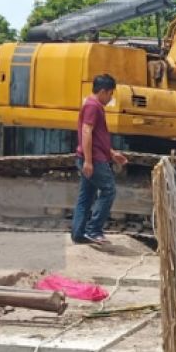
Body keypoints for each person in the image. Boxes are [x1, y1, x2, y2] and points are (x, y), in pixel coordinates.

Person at [72, 74, 128, 245]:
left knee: (86, 196)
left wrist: (111, 153)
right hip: (94, 159)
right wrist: (89, 161)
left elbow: (96, 136)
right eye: (110, 93)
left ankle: (79, 233)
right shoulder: (93, 106)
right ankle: (94, 230)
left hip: (94, 156)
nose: (111, 97)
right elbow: (87, 131)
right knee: (109, 190)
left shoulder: (91, 105)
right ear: (103, 91)